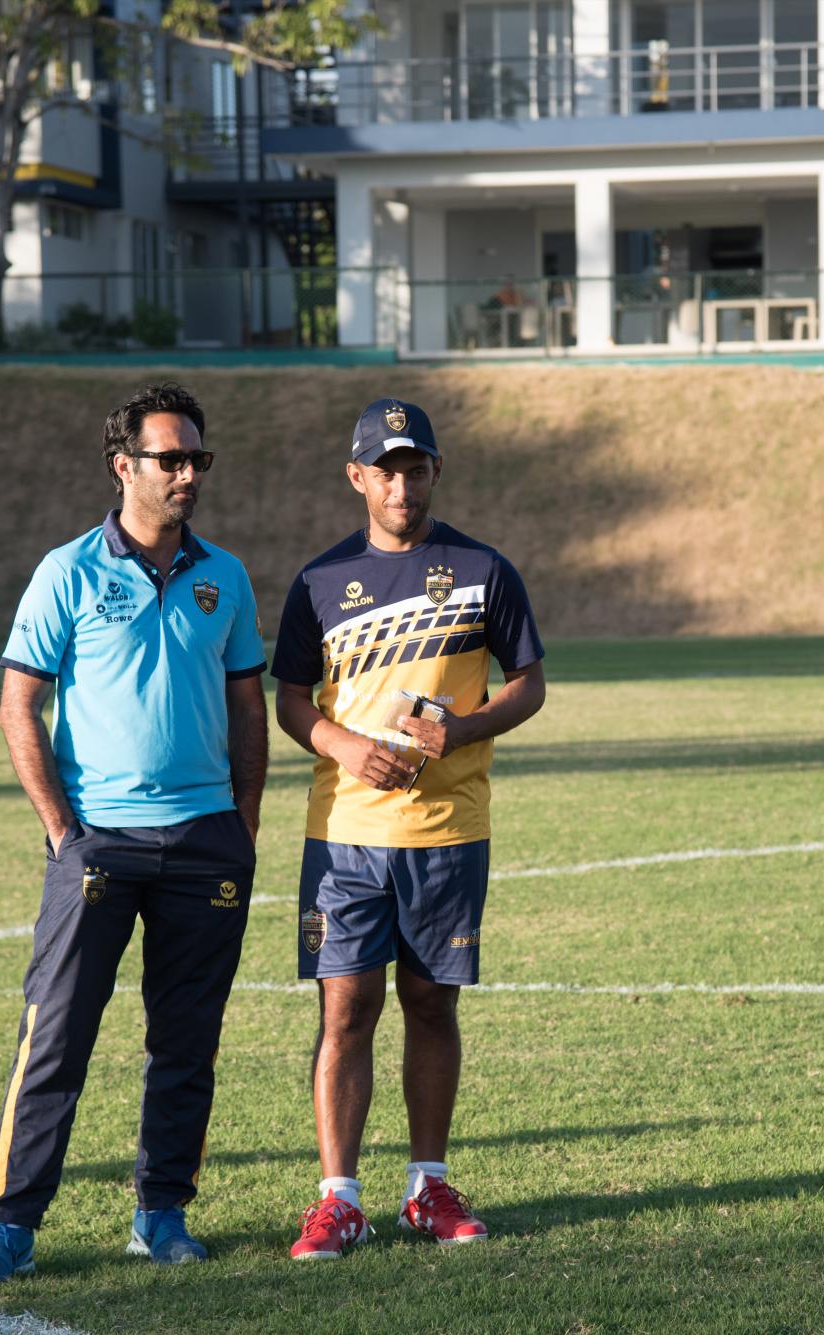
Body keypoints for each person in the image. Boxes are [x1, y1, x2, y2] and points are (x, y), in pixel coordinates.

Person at [0, 382, 268, 1285]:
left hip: (206, 843)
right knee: (55, 1035)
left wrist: (242, 824)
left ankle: (161, 1214)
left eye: (197, 459)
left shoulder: (227, 577)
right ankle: (10, 1226)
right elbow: (20, 701)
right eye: (170, 458)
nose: (187, 474)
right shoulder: (67, 570)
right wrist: (62, 828)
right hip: (99, 844)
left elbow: (247, 703)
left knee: (187, 1039)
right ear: (123, 465)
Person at [271, 397, 546, 1260]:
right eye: (384, 468)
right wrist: (345, 743)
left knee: (431, 1003)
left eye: (414, 465)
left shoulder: (482, 568)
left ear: (435, 471)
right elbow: (289, 699)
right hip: (346, 829)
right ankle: (338, 1197)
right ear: (357, 477)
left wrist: (460, 729)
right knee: (345, 1007)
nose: (400, 482)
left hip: (448, 830)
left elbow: (529, 683)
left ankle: (427, 1184)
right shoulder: (320, 580)